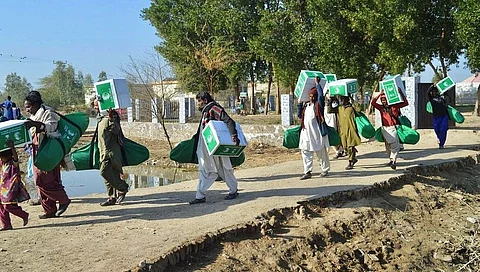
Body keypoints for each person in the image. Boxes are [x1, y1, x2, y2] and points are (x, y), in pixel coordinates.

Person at [23, 91, 71, 218]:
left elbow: (51, 128)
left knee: (43, 179)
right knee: (42, 179)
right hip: (36, 150)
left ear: (36, 104)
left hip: (48, 151)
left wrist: (36, 125)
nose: (27, 110)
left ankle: (63, 199)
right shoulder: (35, 115)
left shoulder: (48, 113)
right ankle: (49, 210)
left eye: (29, 107)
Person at [189, 91, 240, 204]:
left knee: (222, 168)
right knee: (208, 168)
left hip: (216, 144)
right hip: (207, 145)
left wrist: (234, 135)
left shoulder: (214, 108)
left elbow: (229, 121)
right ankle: (200, 195)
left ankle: (232, 190)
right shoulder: (206, 110)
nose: (198, 104)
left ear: (205, 100)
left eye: (199, 101)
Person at [93, 99, 129, 206]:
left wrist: (112, 118)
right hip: (103, 151)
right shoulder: (100, 118)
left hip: (111, 152)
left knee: (104, 172)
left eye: (97, 105)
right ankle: (111, 197)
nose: (95, 107)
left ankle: (123, 188)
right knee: (108, 177)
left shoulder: (112, 117)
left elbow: (116, 130)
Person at [296, 78, 330, 180]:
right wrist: (299, 103)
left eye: (312, 96)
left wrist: (317, 84)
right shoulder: (306, 106)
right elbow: (299, 116)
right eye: (309, 96)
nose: (310, 98)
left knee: (321, 152)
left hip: (316, 133)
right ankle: (307, 171)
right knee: (305, 152)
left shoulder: (318, 105)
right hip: (306, 134)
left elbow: (320, 96)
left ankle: (325, 169)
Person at [370, 88, 409, 170]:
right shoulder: (381, 108)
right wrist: (380, 94)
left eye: (385, 99)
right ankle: (391, 160)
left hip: (393, 128)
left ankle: (394, 161)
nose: (384, 101)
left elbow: (405, 103)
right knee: (388, 147)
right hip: (384, 129)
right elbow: (373, 103)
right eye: (382, 100)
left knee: (395, 146)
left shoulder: (395, 106)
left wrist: (400, 92)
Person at [0, 140, 30, 231]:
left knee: (8, 205)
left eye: (2, 157)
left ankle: (24, 215)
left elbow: (16, 157)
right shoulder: (2, 163)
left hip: (12, 188)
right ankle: (6, 225)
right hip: (3, 188)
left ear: (8, 156)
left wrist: (12, 147)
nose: (1, 159)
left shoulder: (13, 163)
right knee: (1, 207)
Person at [338, 95, 361, 170]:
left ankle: (350, 161)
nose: (342, 101)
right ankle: (353, 158)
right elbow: (329, 110)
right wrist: (331, 100)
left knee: (350, 145)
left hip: (351, 129)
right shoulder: (340, 108)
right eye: (341, 99)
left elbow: (359, 109)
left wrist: (352, 99)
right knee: (345, 146)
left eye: (343, 99)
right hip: (343, 131)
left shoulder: (352, 108)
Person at [427, 84, 449, 149]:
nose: (433, 93)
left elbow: (447, 101)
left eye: (435, 91)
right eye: (432, 92)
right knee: (436, 129)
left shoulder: (442, 98)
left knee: (443, 130)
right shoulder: (431, 99)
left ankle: (441, 144)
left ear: (437, 92)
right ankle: (439, 138)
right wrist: (432, 86)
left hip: (444, 116)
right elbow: (427, 92)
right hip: (436, 116)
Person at [324, 93, 344, 159]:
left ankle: (338, 151)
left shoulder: (334, 102)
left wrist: (330, 100)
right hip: (328, 120)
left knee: (331, 137)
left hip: (332, 122)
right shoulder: (325, 103)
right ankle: (339, 150)